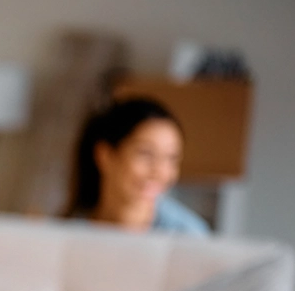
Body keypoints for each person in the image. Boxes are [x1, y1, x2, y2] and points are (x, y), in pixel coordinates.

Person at [66, 97, 210, 236]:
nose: (160, 171)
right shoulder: (67, 232)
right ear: (105, 155)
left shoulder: (189, 236)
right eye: (146, 154)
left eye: (171, 158)